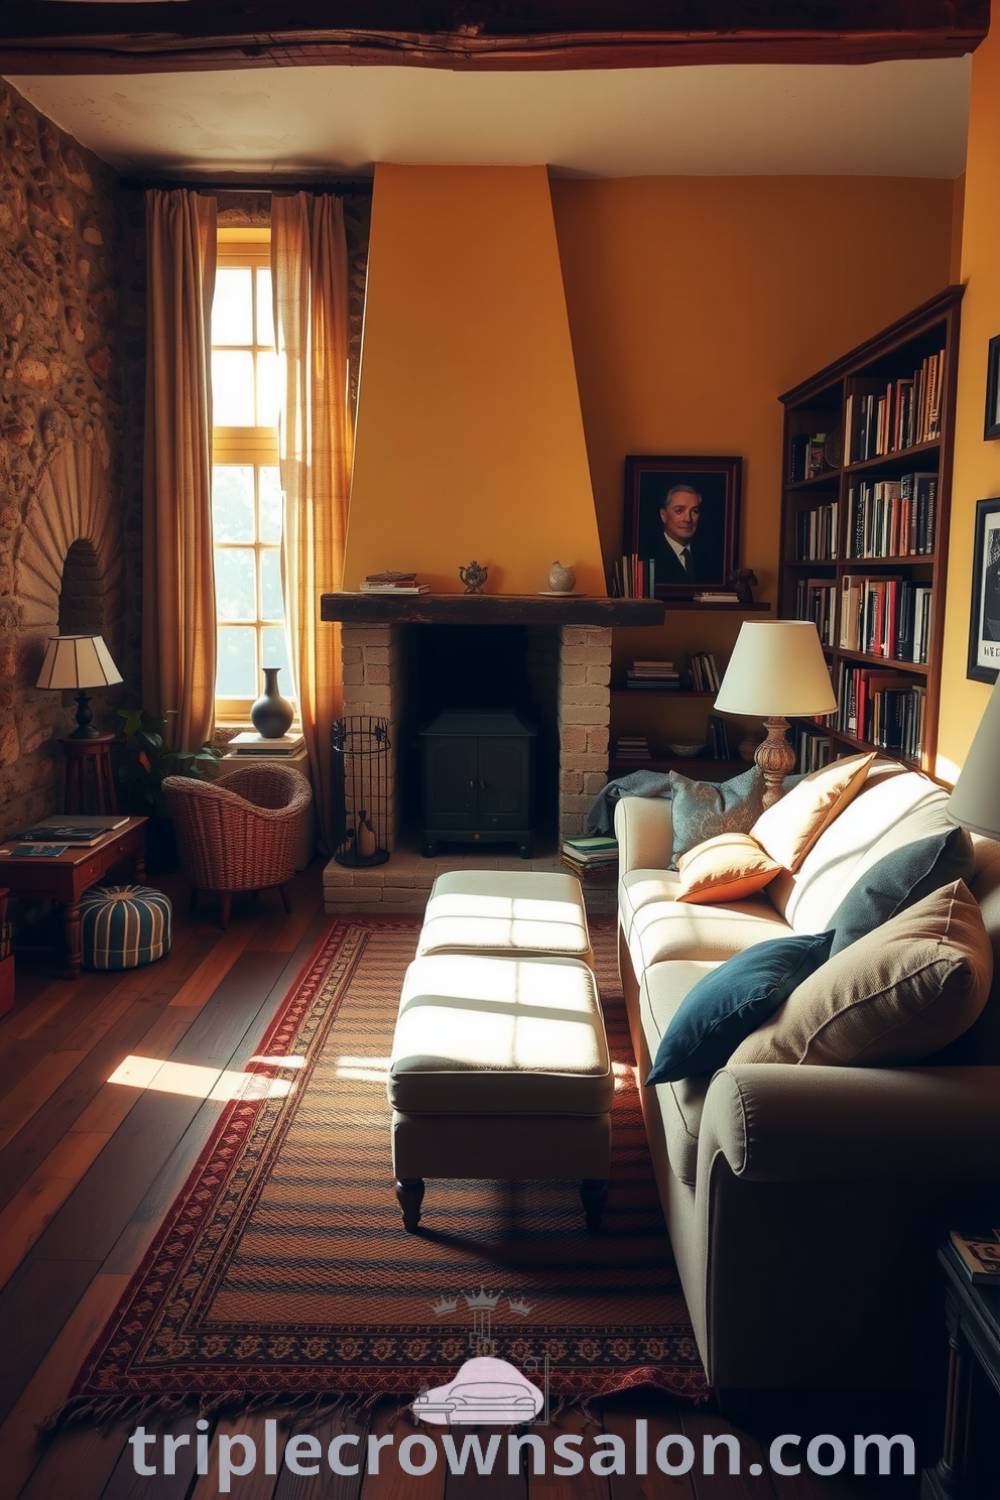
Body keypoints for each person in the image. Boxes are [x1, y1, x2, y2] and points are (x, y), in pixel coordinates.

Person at [652, 483, 716, 584]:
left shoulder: (711, 556)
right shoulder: (648, 556)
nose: (688, 519)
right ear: (663, 515)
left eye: (694, 511)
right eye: (679, 511)